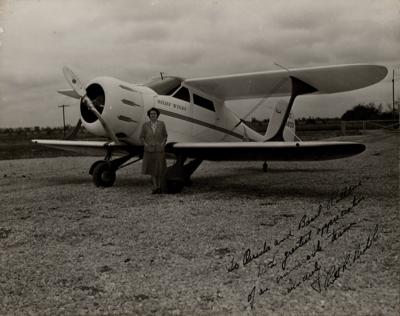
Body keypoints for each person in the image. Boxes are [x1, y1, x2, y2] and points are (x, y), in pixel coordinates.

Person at [140, 107, 168, 194]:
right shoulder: (145, 125)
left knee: (159, 170)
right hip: (149, 151)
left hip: (159, 150)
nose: (153, 115)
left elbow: (165, 136)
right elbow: (141, 137)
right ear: (149, 115)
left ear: (157, 115)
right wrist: (146, 145)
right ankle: (155, 187)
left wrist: (162, 144)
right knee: (152, 170)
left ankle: (159, 187)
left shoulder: (162, 124)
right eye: (151, 114)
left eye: (154, 114)